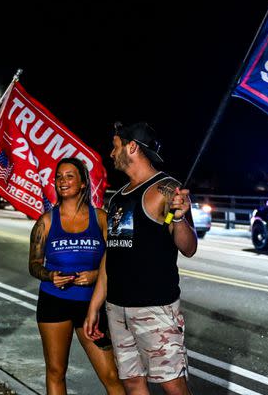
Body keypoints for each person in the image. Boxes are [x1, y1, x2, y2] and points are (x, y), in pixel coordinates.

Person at [84, 122, 197, 395]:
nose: (111, 153)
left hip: (154, 308)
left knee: (172, 384)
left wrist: (179, 217)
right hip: (117, 308)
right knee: (132, 382)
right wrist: (95, 305)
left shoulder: (166, 189)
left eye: (115, 145)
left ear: (132, 146)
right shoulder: (119, 198)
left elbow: (188, 246)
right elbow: (113, 254)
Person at [29, 158, 123, 395]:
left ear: (82, 183)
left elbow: (116, 258)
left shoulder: (101, 218)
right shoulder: (46, 221)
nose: (63, 181)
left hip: (91, 305)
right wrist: (50, 275)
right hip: (54, 303)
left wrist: (95, 275)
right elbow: (34, 265)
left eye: (70, 176)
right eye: (59, 176)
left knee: (111, 375)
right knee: (56, 371)